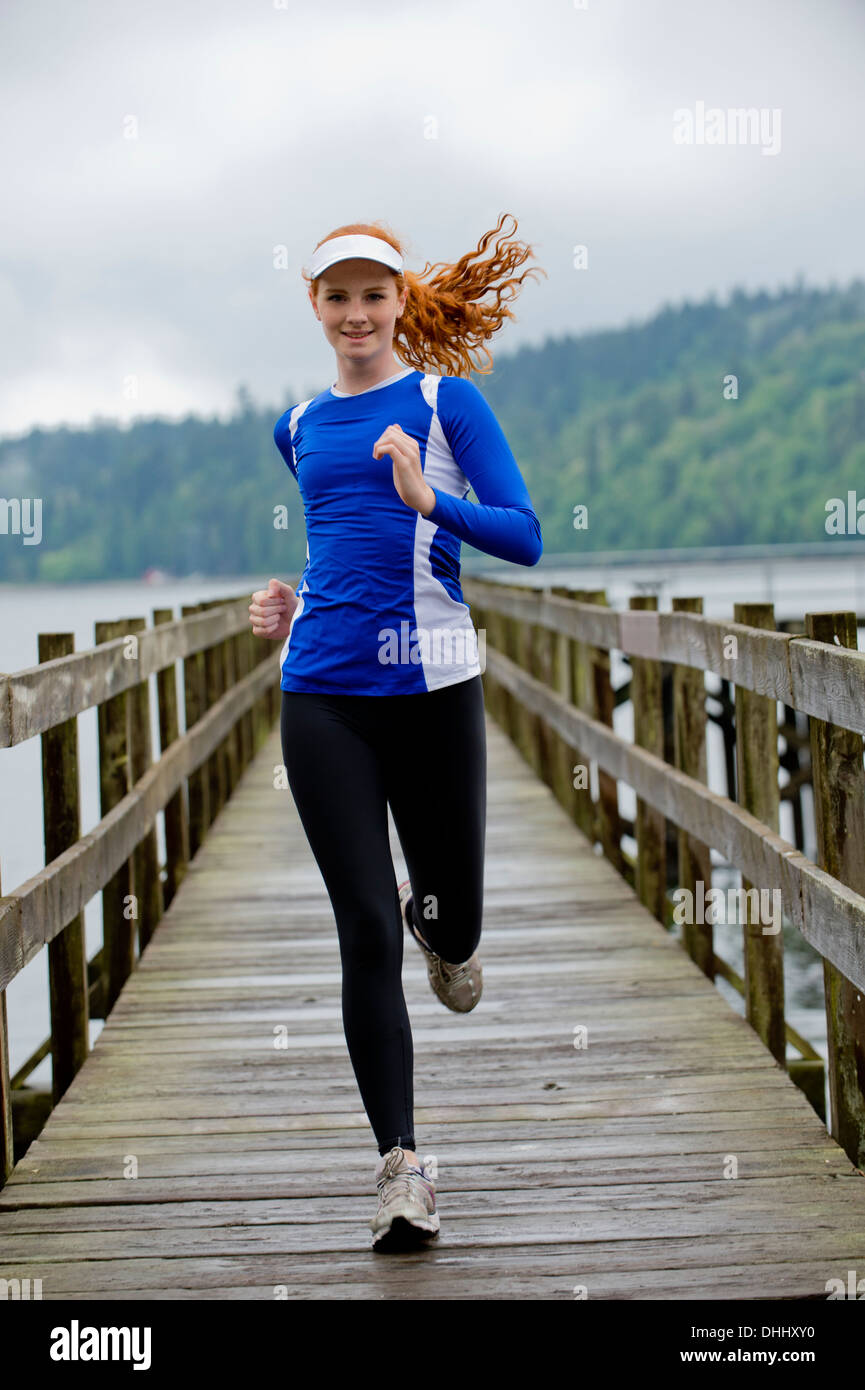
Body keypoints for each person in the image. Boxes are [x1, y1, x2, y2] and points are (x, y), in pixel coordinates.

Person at [249, 213, 544, 1252]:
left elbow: (528, 534)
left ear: (400, 302)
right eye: (337, 296)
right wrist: (287, 602)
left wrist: (432, 501)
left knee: (447, 922)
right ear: (314, 304)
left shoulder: (444, 403)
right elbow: (338, 544)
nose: (356, 313)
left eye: (374, 294)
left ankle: (447, 934)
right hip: (322, 693)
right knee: (365, 927)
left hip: (433, 690)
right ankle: (402, 1167)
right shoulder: (296, 424)